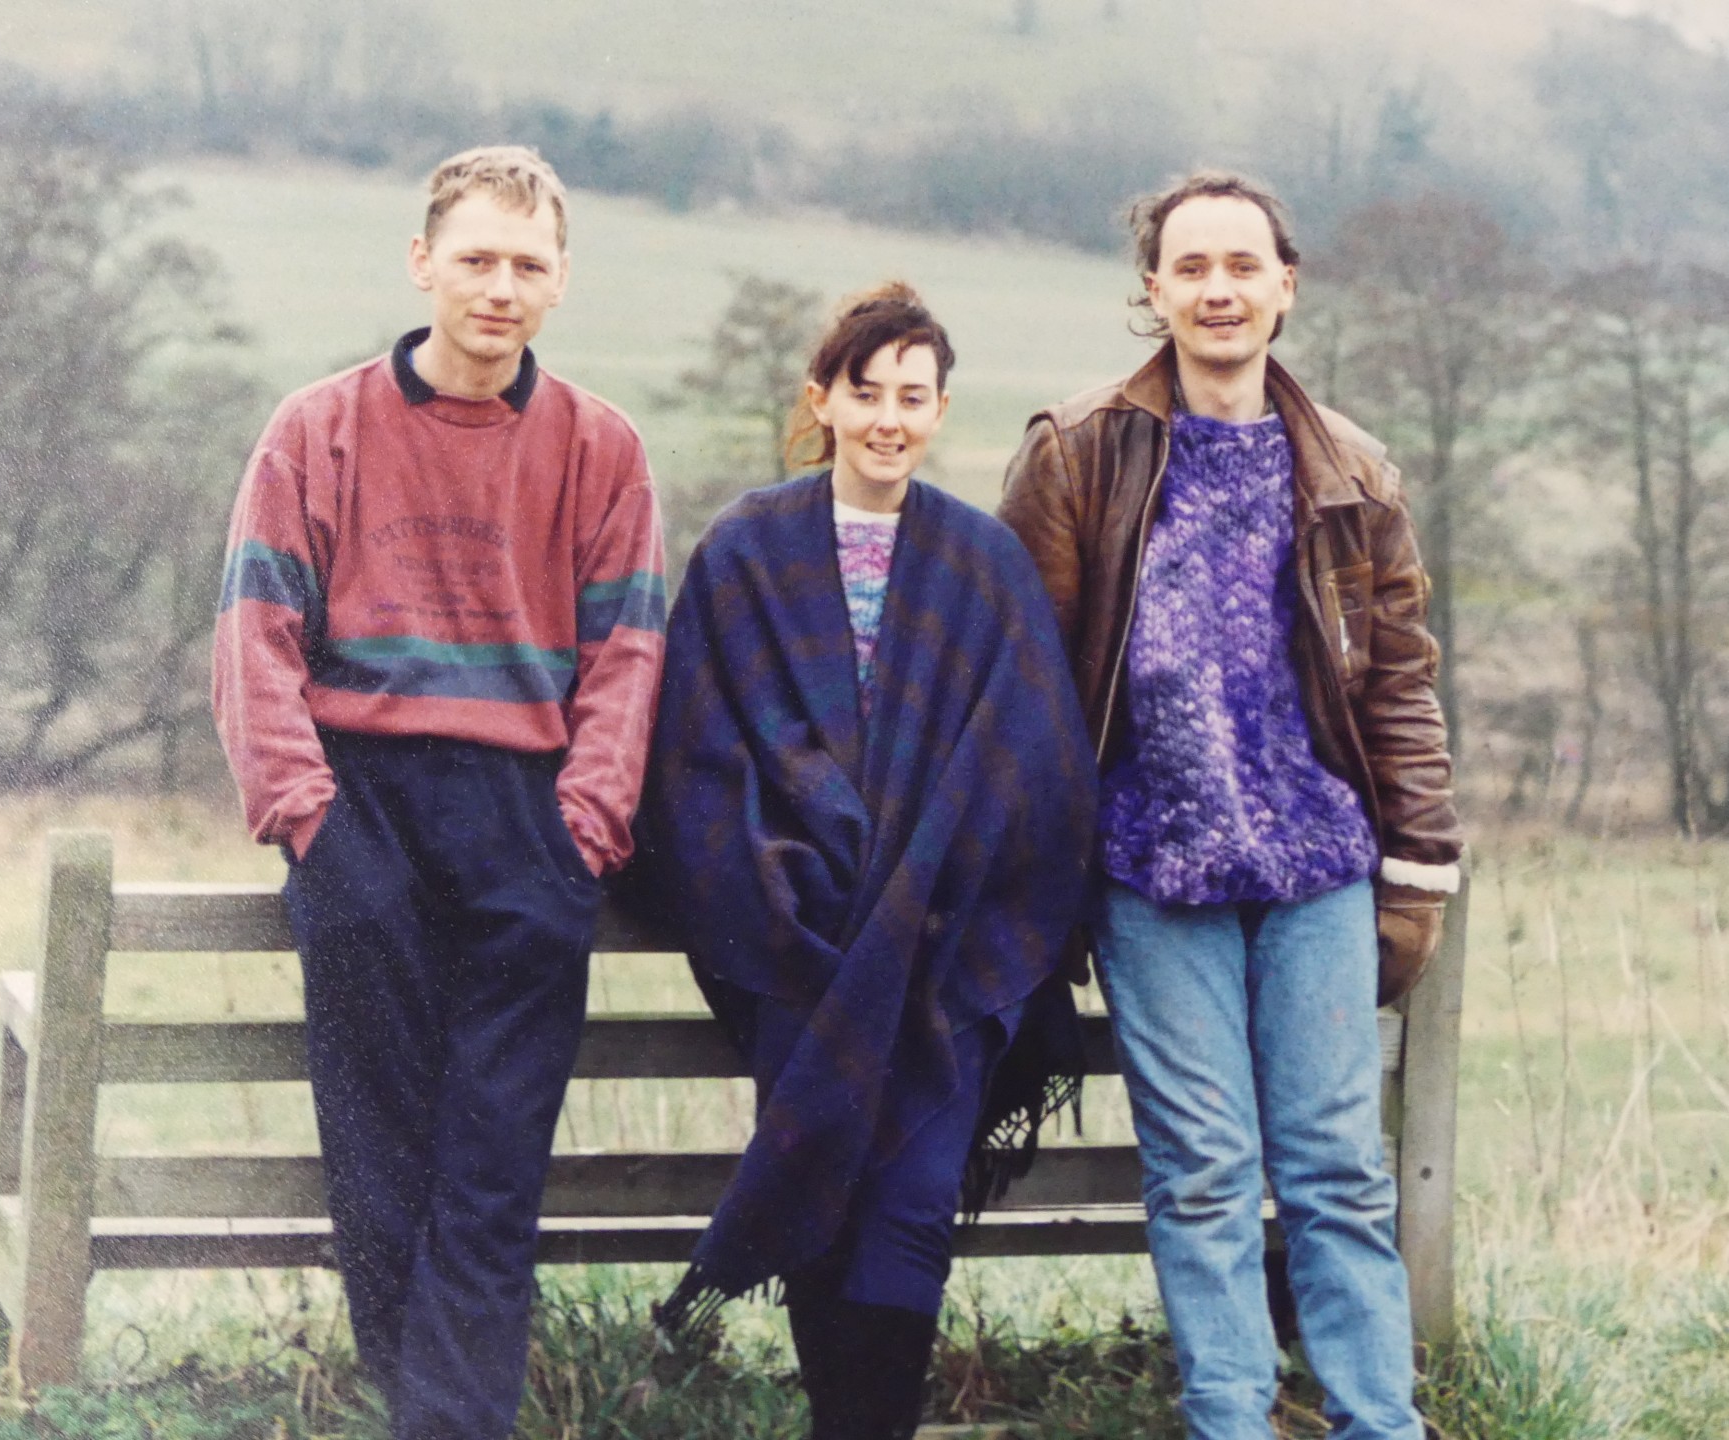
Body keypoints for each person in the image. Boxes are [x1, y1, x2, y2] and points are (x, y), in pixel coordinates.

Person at [998, 170, 1464, 1440]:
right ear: (1152, 290)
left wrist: (1418, 864)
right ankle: (1230, 1419)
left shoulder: (1354, 471)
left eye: (1242, 266)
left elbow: (1402, 686)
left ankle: (1381, 1422)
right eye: (1191, 267)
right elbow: (1027, 687)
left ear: (1285, 286)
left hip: (1317, 867)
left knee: (1336, 1175)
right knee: (1202, 1175)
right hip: (1154, 873)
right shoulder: (1077, 451)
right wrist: (1040, 879)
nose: (1219, 290)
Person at [211, 145, 665, 1439]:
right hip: (363, 803)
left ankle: (448, 1425)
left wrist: (584, 831)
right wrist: (310, 818)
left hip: (528, 810)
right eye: (476, 257)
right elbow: (255, 639)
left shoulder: (603, 449)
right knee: (381, 1152)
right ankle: (426, 1417)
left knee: (492, 1162)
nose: (500, 287)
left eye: (528, 265)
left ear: (562, 279)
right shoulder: (318, 430)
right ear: (423, 263)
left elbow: (631, 658)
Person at [639, 284, 1098, 1440]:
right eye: (866, 392)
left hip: (944, 951)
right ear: (823, 400)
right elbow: (703, 750)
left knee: (912, 1195)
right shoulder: (748, 549)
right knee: (820, 1184)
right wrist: (798, 865)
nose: (889, 418)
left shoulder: (982, 563)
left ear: (941, 409)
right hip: (798, 943)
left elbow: (1029, 763)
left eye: (913, 396)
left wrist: (928, 879)